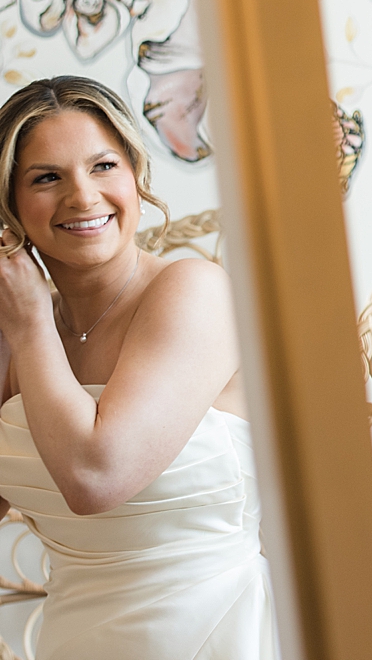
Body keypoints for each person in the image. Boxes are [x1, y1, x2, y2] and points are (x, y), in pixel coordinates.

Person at [0, 77, 276, 659]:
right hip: (72, 640)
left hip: (212, 635)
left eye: (103, 165)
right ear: (9, 204)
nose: (82, 196)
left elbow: (96, 477)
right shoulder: (16, 328)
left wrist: (28, 325)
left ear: (135, 174)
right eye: (47, 177)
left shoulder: (194, 290)